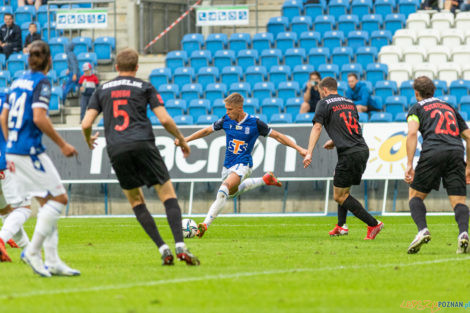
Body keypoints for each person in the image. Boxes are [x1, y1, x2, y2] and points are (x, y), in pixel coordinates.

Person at [81, 48, 199, 266]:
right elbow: (164, 120)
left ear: (116, 67)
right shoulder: (145, 87)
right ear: (136, 67)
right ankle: (180, 245)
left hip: (116, 148)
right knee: (167, 194)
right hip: (143, 143)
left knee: (136, 200)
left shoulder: (101, 89)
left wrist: (88, 139)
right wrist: (181, 139)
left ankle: (163, 249)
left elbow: (86, 123)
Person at [0, 41, 80, 276]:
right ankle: (32, 251)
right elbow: (39, 118)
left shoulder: (16, 81)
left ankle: (53, 261)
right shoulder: (41, 82)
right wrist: (63, 144)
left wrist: (10, 141)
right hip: (30, 151)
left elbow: (4, 117)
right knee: (60, 198)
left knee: (45, 203)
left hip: (13, 150)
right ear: (49, 61)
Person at [180, 93, 307, 238]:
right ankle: (264, 179)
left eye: (230, 109)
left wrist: (300, 149)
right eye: (226, 109)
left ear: (239, 108)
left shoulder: (255, 123)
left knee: (224, 188)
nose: (227, 112)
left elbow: (278, 136)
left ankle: (205, 225)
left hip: (243, 164)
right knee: (231, 193)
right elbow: (207, 131)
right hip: (227, 166)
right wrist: (186, 140)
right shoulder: (226, 120)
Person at [303, 77, 384, 240]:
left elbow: (317, 126)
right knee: (342, 187)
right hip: (361, 149)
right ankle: (341, 225)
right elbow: (350, 126)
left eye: (320, 92)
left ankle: (373, 223)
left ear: (325, 90)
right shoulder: (349, 102)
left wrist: (309, 151)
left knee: (339, 196)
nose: (320, 95)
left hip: (349, 152)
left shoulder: (324, 103)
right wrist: (334, 141)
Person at [405, 76, 469, 254]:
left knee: (415, 196)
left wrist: (409, 164)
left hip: (433, 150)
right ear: (433, 91)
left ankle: (422, 230)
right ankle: (463, 233)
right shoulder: (450, 107)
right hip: (456, 151)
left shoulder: (416, 108)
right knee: (458, 201)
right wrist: (469, 166)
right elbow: (469, 137)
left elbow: (412, 134)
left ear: (416, 93)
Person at [0, 90, 30, 262]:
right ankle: (2, 239)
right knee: (23, 208)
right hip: (7, 161)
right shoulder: (7, 100)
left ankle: (28, 251)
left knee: (6, 211)